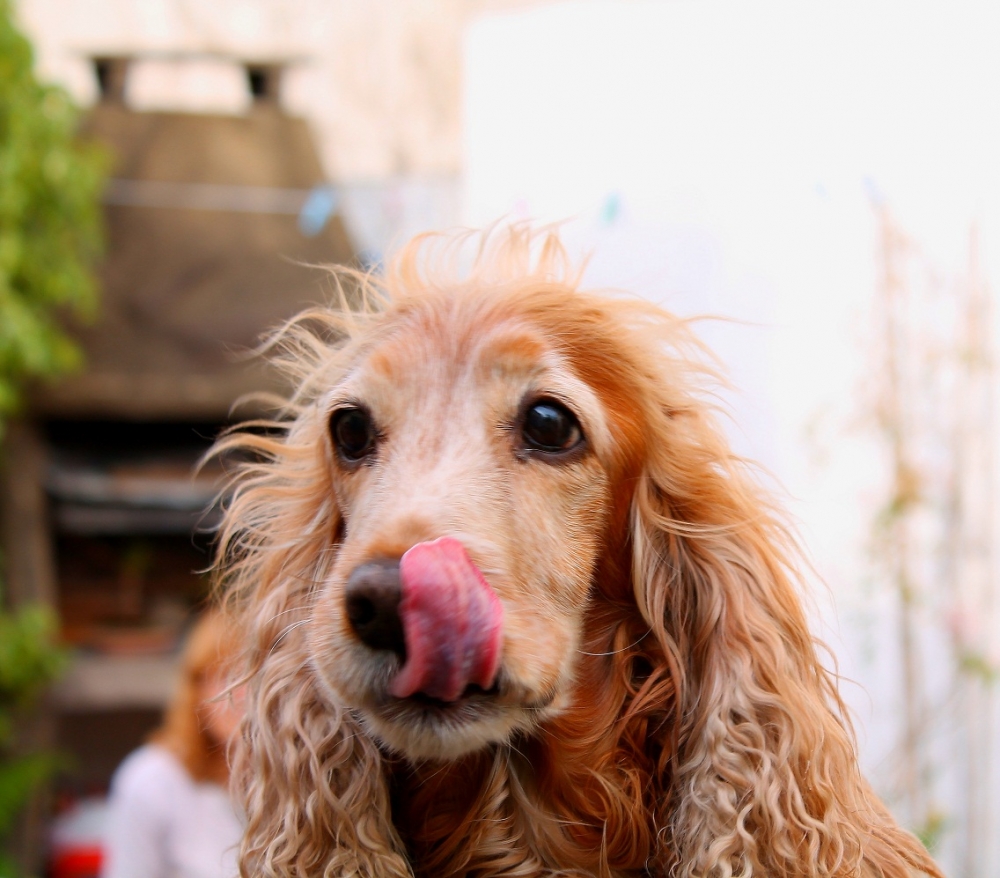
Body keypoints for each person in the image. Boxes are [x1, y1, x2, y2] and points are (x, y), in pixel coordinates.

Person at [101, 608, 245, 878]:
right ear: (197, 691)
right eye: (226, 677)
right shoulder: (151, 780)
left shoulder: (295, 782)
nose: (241, 695)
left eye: (254, 677)